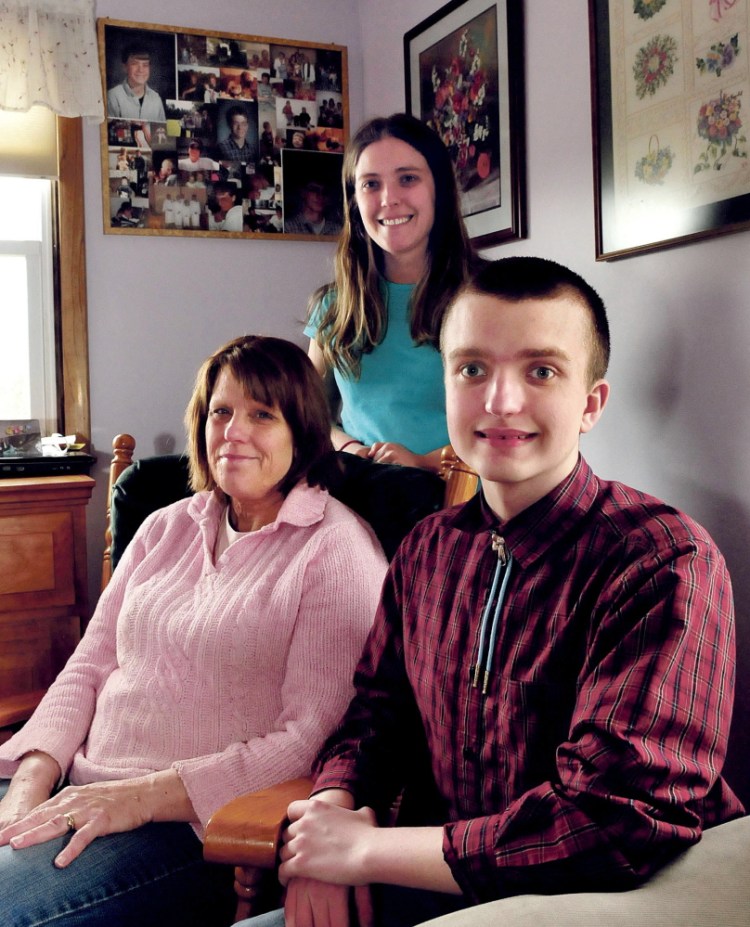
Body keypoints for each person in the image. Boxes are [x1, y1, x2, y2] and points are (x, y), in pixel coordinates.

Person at [243, 257, 744, 927]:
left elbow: (615, 820)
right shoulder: (427, 549)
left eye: (541, 371)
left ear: (591, 402)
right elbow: (376, 713)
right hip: (435, 880)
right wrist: (329, 821)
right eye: (472, 369)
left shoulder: (661, 558)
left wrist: (365, 852)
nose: (500, 401)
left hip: (620, 898)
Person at [0, 335, 388, 927]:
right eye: (221, 412)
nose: (234, 431)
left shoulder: (336, 551)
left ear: (303, 431)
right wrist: (31, 780)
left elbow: (310, 738)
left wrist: (137, 798)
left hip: (194, 826)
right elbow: (90, 663)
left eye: (262, 414)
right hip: (77, 787)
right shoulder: (165, 527)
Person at [304, 113, 478, 474]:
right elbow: (303, 413)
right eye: (370, 184)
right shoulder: (333, 305)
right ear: (354, 200)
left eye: (407, 179)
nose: (389, 199)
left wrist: (422, 464)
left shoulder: (489, 297)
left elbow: (511, 425)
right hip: (359, 496)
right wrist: (348, 446)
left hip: (464, 506)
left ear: (439, 190)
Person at [107, 44, 166, 122]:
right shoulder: (113, 96)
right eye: (134, 64)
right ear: (125, 67)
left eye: (145, 65)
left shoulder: (156, 98)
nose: (140, 70)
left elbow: (161, 131)